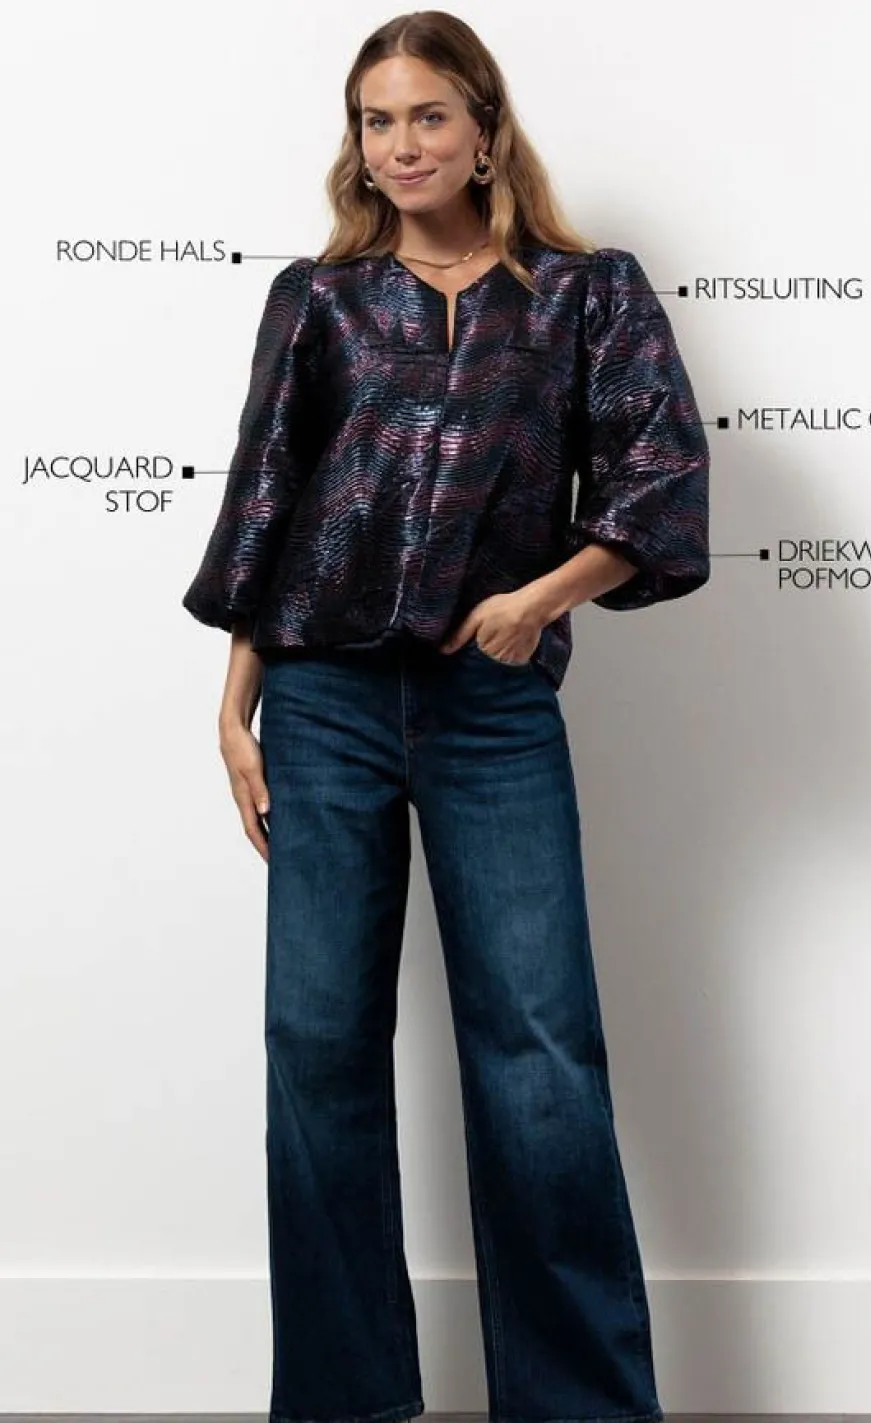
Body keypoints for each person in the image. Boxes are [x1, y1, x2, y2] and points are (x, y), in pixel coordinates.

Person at [181, 12, 710, 1423]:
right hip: (322, 703)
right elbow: (265, 505)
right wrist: (235, 710)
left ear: (484, 129)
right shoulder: (318, 299)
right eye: (377, 120)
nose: (401, 144)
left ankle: (580, 1405)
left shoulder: (586, 294)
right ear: (355, 144)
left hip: (491, 709)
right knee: (318, 1047)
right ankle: (345, 1401)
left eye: (426, 115)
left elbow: (659, 480)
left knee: (540, 1053)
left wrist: (541, 598)